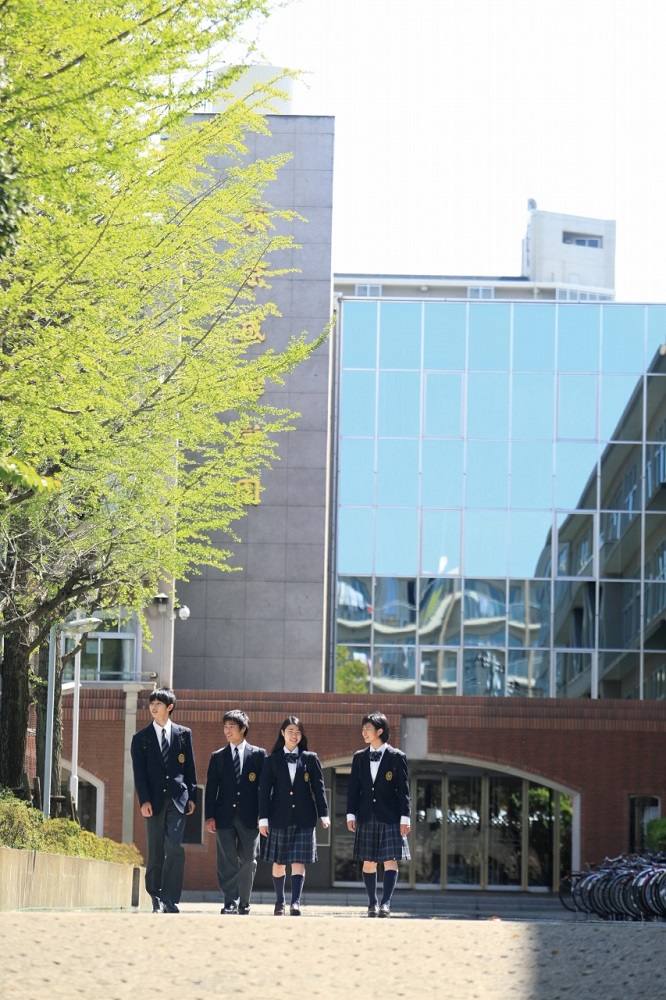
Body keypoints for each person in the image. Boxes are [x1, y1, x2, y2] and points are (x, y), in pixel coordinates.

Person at [130, 687, 197, 913]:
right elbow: (139, 774)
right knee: (156, 849)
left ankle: (170, 899)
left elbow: (190, 768)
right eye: (151, 704)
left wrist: (192, 796)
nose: (153, 707)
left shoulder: (184, 734)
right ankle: (155, 896)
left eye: (158, 704)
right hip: (154, 802)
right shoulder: (140, 739)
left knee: (175, 847)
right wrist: (144, 801)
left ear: (169, 707)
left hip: (178, 799)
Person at [258, 716, 330, 916]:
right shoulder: (271, 760)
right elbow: (264, 791)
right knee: (279, 862)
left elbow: (319, 788)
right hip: (278, 818)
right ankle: (280, 901)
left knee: (299, 861)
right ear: (282, 733)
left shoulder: (310, 758)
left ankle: (295, 903)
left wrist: (324, 814)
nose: (294, 735)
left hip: (304, 818)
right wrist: (263, 819)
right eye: (290, 731)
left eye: (298, 732)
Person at [347, 711, 411, 918]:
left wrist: (405, 817)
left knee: (390, 860)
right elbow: (353, 788)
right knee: (368, 862)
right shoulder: (359, 757)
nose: (363, 732)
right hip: (366, 815)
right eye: (362, 728)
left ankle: (386, 903)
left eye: (368, 729)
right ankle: (372, 902)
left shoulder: (396, 756)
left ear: (380, 731)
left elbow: (404, 791)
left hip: (391, 816)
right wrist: (350, 814)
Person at [204, 709, 267, 915]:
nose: (227, 731)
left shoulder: (258, 755)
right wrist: (209, 816)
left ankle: (245, 901)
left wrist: (264, 815)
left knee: (249, 859)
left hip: (251, 817)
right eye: (225, 727)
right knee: (227, 860)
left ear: (243, 729)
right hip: (224, 817)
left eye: (231, 727)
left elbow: (265, 788)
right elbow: (212, 788)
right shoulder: (218, 757)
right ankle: (229, 901)